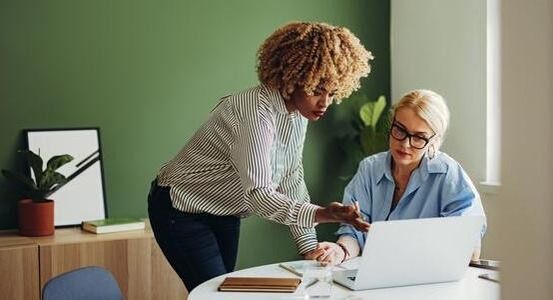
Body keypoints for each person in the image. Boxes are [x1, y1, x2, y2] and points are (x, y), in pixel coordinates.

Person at [147, 21, 374, 291]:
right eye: (317, 90)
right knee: (213, 293)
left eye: (332, 93)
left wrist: (310, 247)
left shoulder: (296, 114)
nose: (324, 102)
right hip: (181, 209)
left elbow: (291, 179)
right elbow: (260, 195)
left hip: (225, 210)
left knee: (223, 291)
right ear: (293, 78)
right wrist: (324, 214)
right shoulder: (254, 112)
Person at [306, 89, 487, 265]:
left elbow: (469, 242)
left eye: (418, 138)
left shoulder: (448, 174)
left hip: (427, 279)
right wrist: (341, 251)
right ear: (391, 124)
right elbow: (354, 231)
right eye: (400, 130)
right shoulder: (370, 169)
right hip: (376, 274)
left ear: (433, 140)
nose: (405, 144)